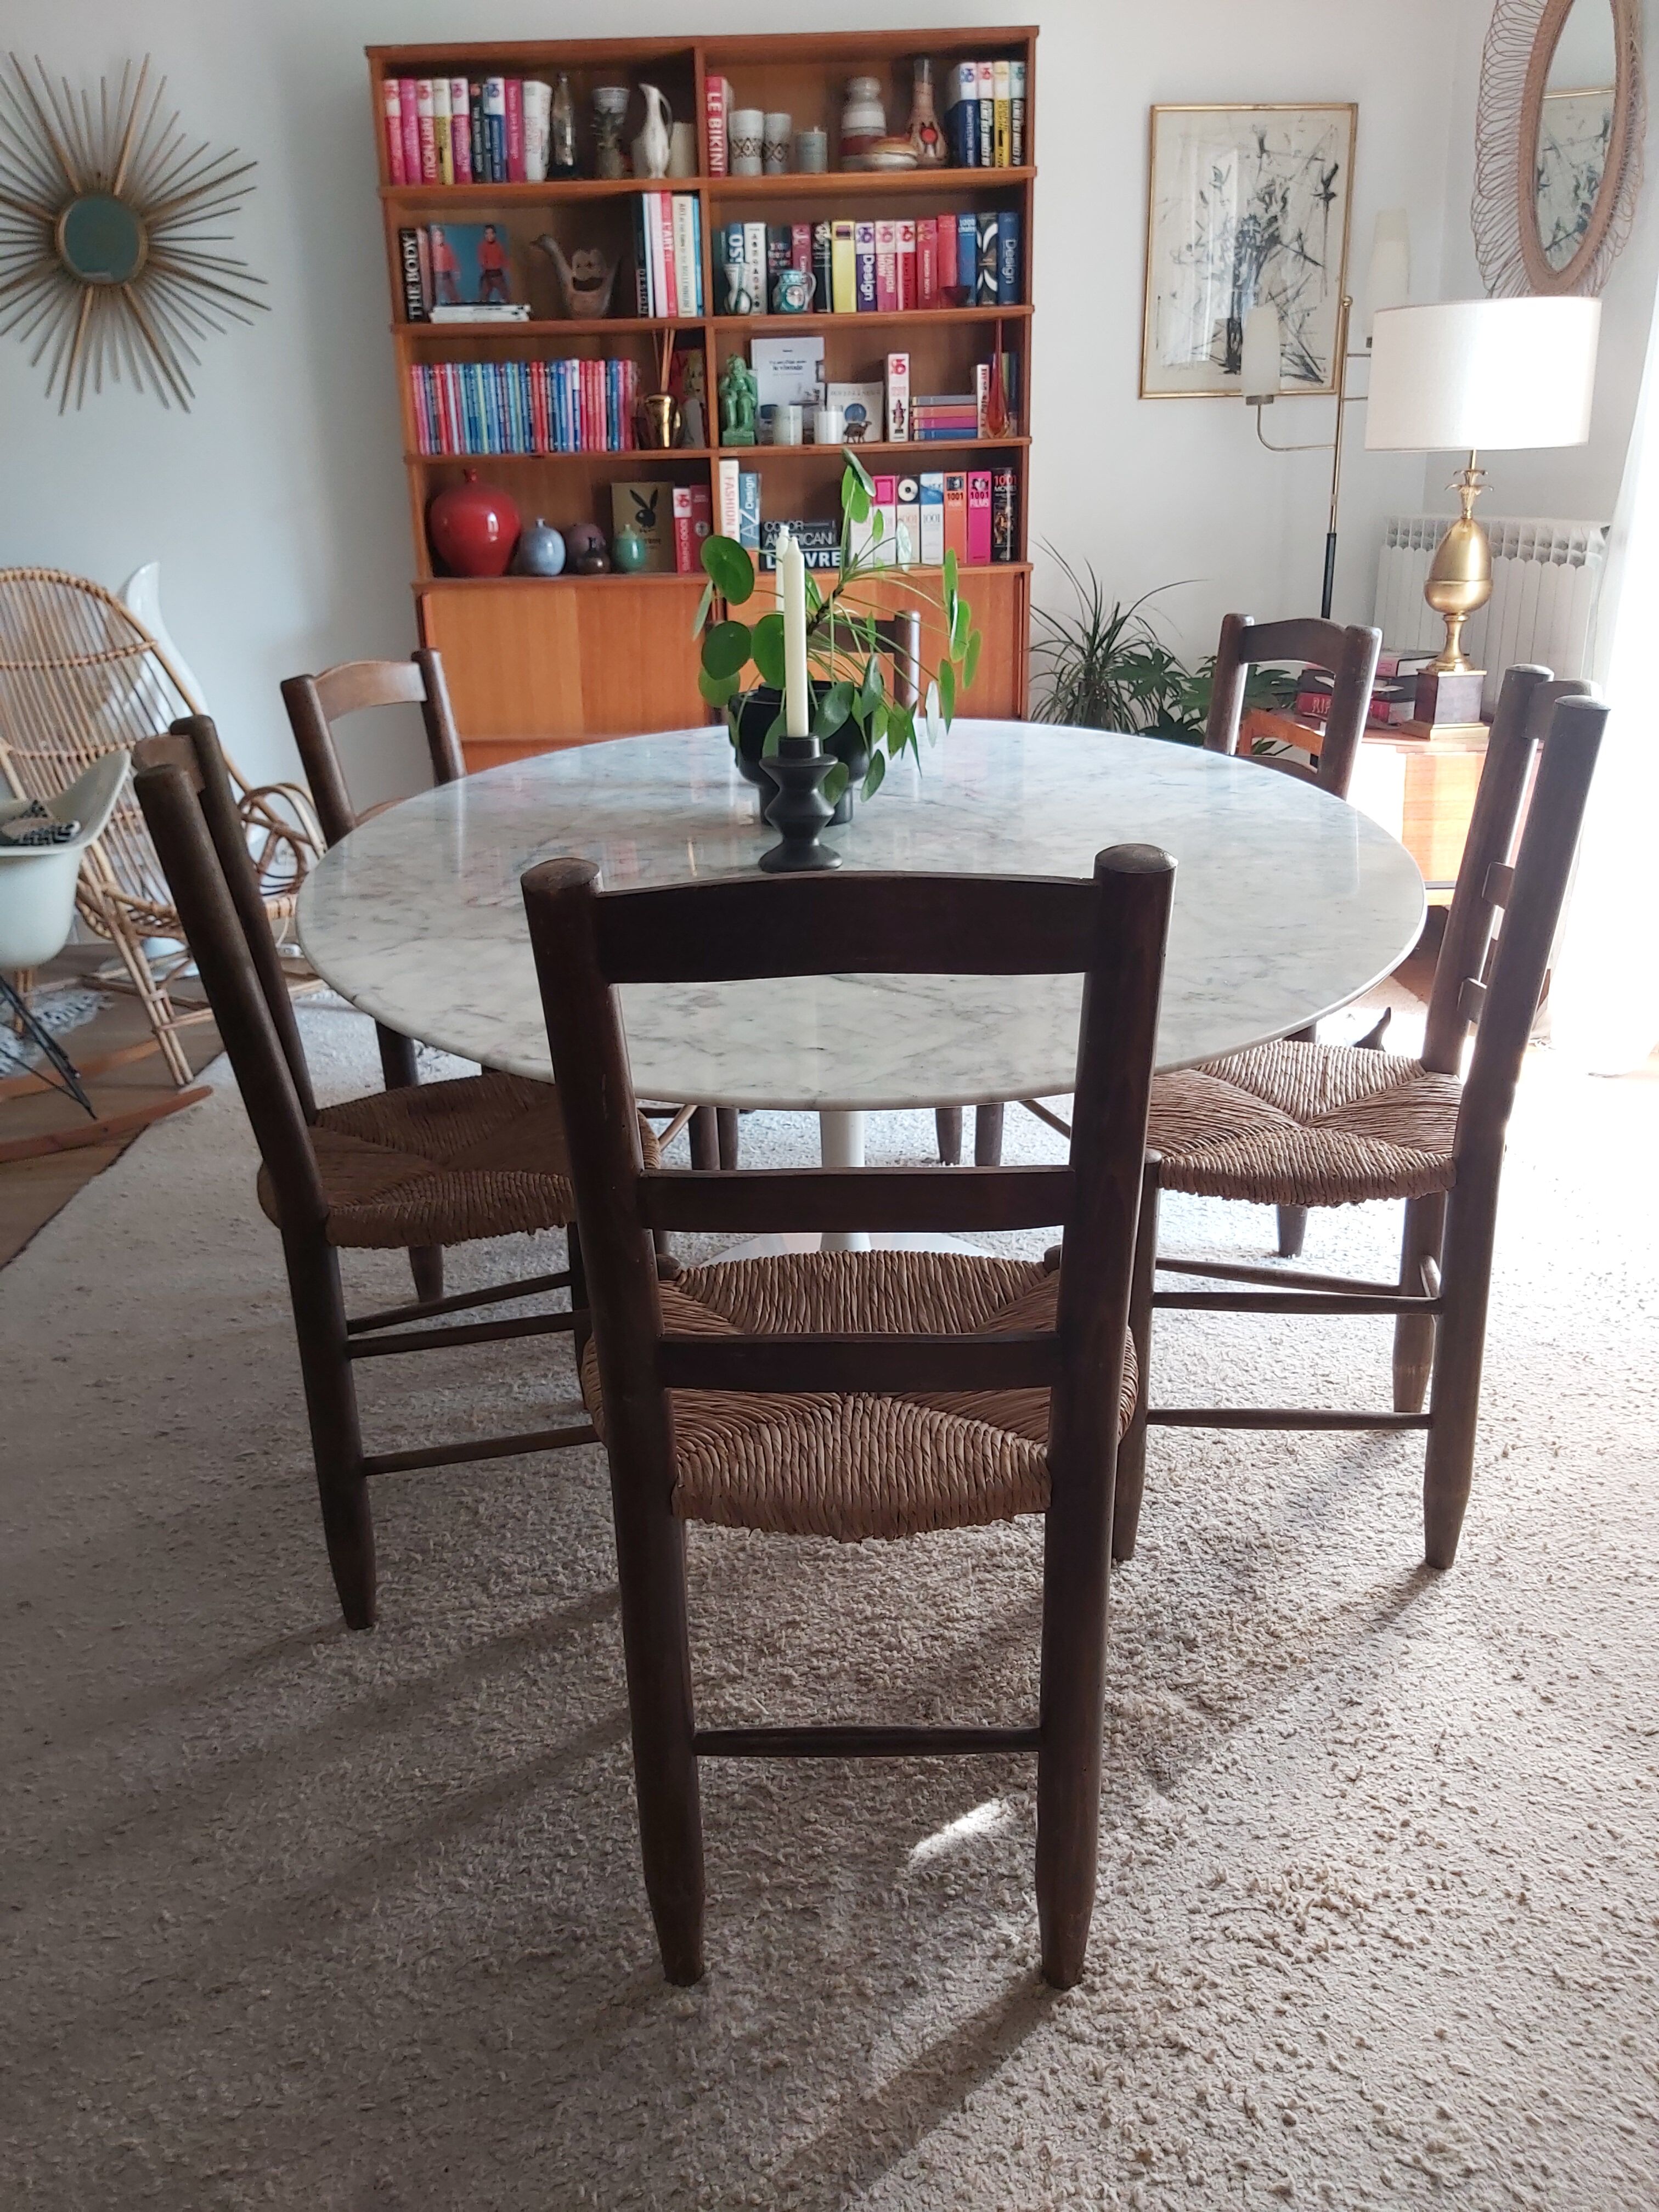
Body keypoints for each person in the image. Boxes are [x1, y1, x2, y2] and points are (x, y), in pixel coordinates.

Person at [477, 223, 510, 306]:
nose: (489, 236)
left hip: (498, 274)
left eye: (491, 233)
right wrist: (485, 266)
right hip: (487, 275)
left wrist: (506, 267)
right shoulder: (482, 246)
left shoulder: (499, 246)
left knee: (506, 296)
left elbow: (503, 259)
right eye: (487, 234)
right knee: (483, 298)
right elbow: (482, 259)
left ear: (494, 234)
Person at [428, 224, 461, 307]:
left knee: (455, 299)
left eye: (441, 236)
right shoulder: (431, 249)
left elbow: (453, 260)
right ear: (434, 237)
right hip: (436, 277)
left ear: (443, 237)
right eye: (437, 236)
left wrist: (456, 271)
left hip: (447, 277)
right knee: (432, 299)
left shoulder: (448, 248)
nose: (439, 238)